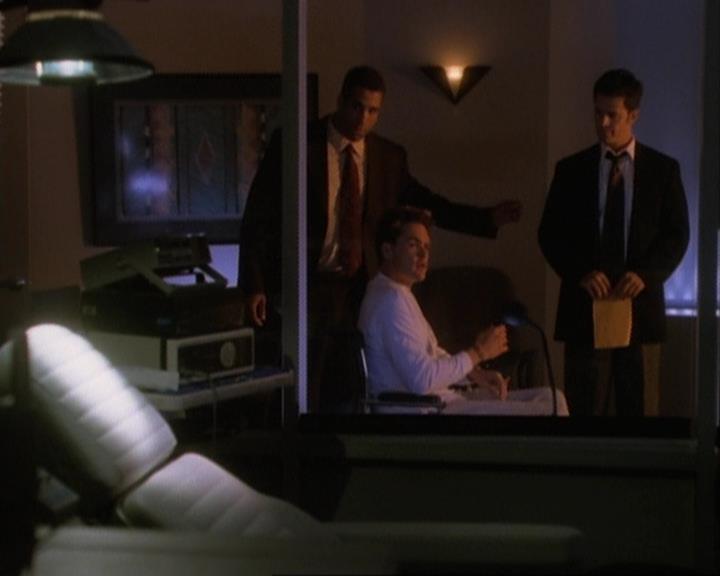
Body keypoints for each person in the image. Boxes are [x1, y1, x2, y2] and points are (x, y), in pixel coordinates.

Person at [240, 65, 522, 412]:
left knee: (350, 380)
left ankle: (344, 437)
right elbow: (258, 215)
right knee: (306, 376)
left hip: (358, 282)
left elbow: (428, 204)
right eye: (357, 107)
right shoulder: (298, 144)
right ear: (341, 101)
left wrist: (484, 219)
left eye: (373, 111)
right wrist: (254, 283)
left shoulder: (387, 156)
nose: (363, 118)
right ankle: (300, 435)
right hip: (309, 281)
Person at [538, 68, 689, 417]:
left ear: (633, 115)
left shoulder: (663, 170)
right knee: (582, 409)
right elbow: (550, 233)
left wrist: (647, 275)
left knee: (638, 410)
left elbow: (677, 234)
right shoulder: (571, 170)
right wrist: (580, 272)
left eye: (612, 115)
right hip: (584, 306)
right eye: (598, 113)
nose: (603, 123)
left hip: (639, 306)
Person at [358, 206, 568, 416]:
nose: (424, 254)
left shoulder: (397, 292)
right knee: (553, 409)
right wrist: (478, 352)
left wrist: (474, 374)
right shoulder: (389, 301)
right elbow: (422, 379)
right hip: (426, 409)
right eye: (413, 245)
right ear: (388, 250)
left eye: (427, 247)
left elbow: (432, 354)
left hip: (441, 400)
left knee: (551, 397)